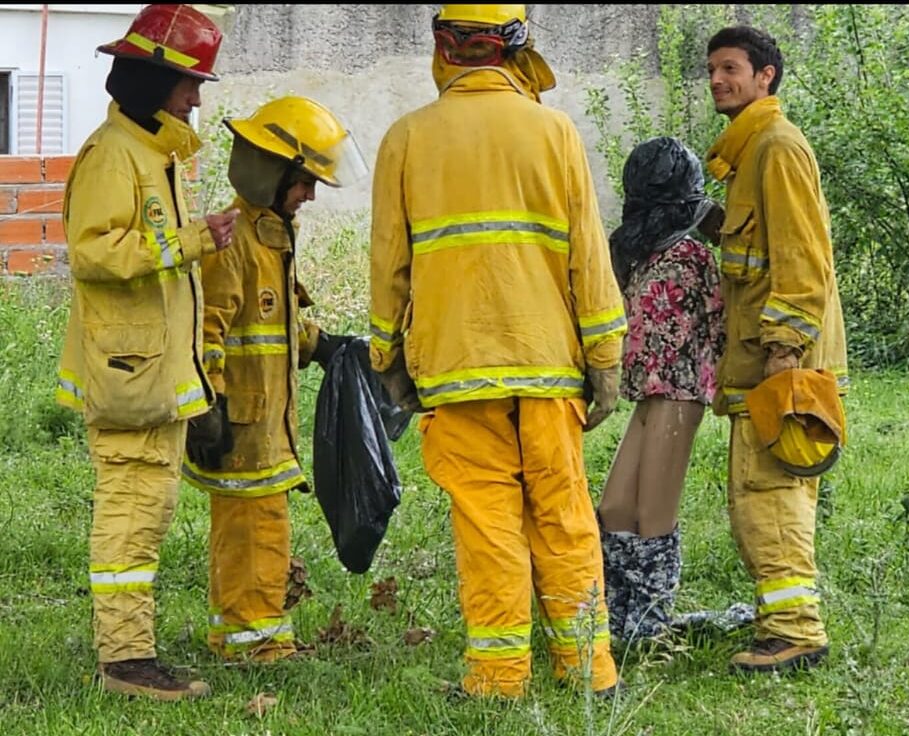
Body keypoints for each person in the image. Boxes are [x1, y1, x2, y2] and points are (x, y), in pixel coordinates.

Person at [369, 4, 627, 699]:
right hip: (548, 370)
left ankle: (498, 677)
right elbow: (589, 257)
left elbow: (390, 265)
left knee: (487, 525)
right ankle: (589, 671)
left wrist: (387, 359)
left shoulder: (407, 139)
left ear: (442, 47)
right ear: (515, 48)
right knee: (565, 517)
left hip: (455, 372)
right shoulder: (554, 131)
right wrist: (605, 359)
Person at [54, 4, 235, 700]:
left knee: (147, 514)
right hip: (128, 378)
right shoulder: (113, 156)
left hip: (151, 376)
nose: (195, 98)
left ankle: (132, 651)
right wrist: (193, 242)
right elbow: (93, 254)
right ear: (151, 81)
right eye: (190, 85)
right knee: (130, 516)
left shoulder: (152, 153)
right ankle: (126, 664)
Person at [182, 96, 368, 663]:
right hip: (238, 429)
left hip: (265, 427)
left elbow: (271, 321)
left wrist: (322, 346)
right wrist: (205, 408)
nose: (309, 195)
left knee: (263, 527)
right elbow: (207, 331)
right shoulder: (233, 244)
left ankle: (249, 630)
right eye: (304, 183)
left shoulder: (270, 239)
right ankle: (252, 642)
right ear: (272, 175)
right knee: (251, 533)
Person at [704, 25, 848, 673]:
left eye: (730, 68)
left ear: (766, 77)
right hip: (762, 361)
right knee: (762, 491)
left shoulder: (777, 148)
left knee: (769, 493)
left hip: (780, 363)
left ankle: (795, 633)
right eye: (711, 70)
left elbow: (802, 258)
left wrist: (785, 348)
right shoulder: (750, 151)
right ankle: (780, 624)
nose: (717, 80)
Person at [597, 137, 725, 643]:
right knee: (614, 510)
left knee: (653, 513)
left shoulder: (692, 255)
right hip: (648, 391)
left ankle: (649, 625)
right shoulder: (644, 251)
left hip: (679, 390)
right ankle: (617, 615)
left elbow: (720, 322)